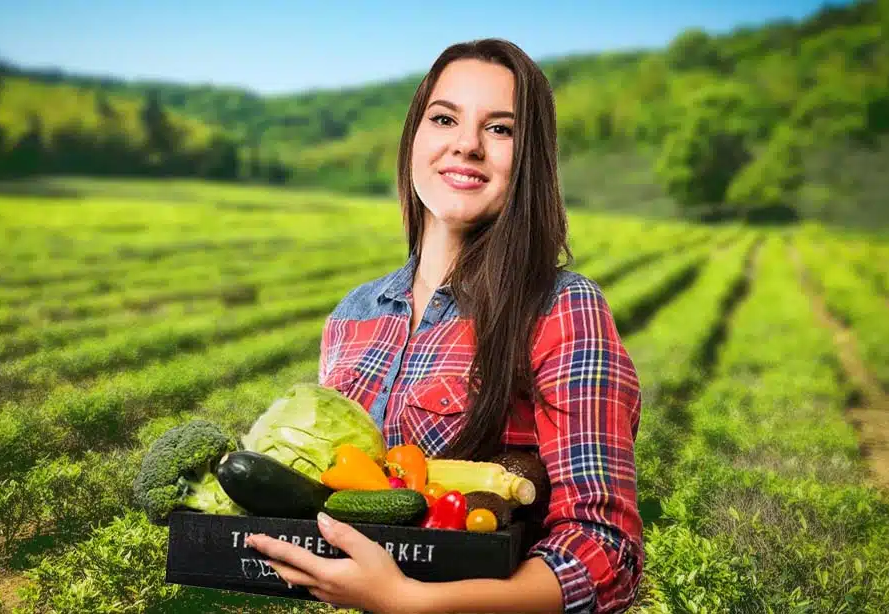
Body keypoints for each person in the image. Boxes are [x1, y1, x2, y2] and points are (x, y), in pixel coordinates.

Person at [245, 38, 644, 614]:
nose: (467, 144)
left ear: (530, 158)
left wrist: (410, 602)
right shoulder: (352, 316)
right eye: (444, 118)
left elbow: (605, 552)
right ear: (415, 137)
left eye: (500, 129)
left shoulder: (561, 308)